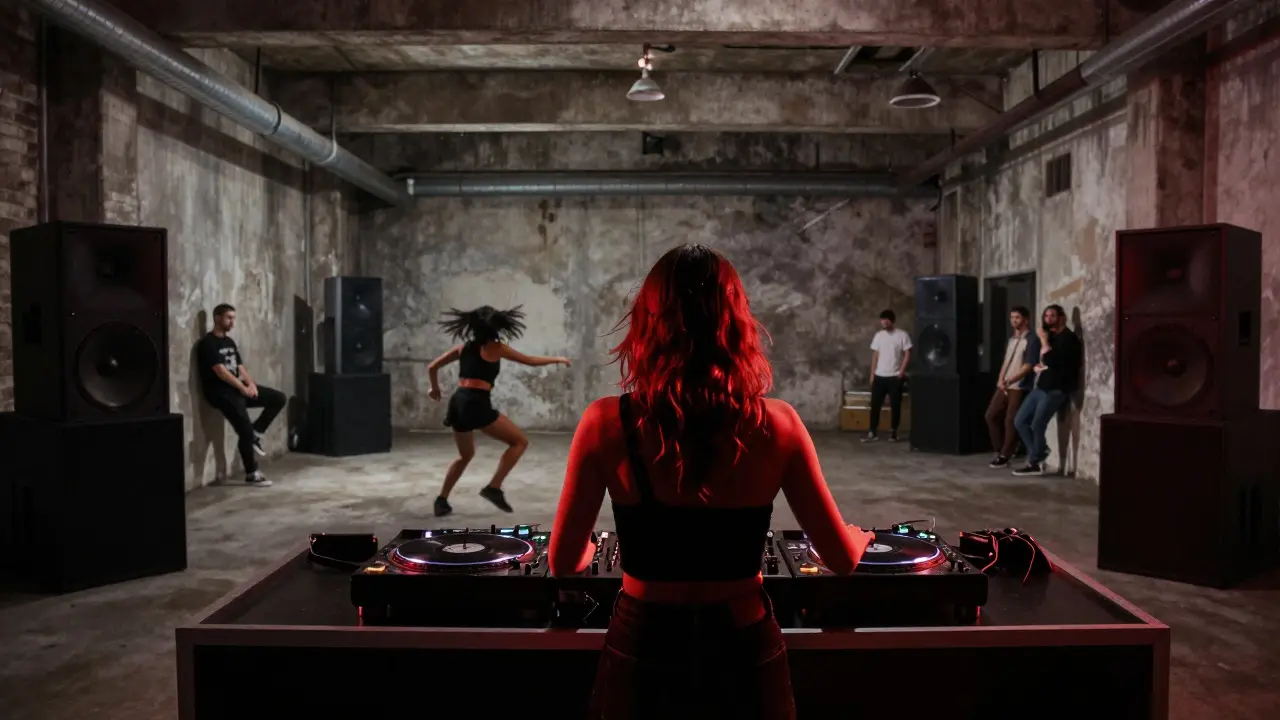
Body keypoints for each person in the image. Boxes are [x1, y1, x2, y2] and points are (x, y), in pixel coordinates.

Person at [548, 244, 874, 719]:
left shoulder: (604, 423)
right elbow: (841, 560)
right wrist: (857, 537)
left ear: (647, 322)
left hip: (644, 636)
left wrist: (588, 550)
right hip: (742, 637)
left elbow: (561, 561)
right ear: (735, 323)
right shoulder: (779, 424)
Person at [426, 305, 570, 517]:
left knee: (465, 455)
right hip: (476, 403)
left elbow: (432, 367)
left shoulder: (463, 348)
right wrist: (557, 359)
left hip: (458, 402)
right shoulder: (497, 348)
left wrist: (434, 388)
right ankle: (493, 488)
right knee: (520, 442)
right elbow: (529, 361)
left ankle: (441, 500)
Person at [197, 303, 288, 487]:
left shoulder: (229, 342)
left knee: (278, 398)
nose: (232, 322)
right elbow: (221, 371)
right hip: (219, 393)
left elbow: (239, 367)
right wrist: (242, 388)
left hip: (236, 389)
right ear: (217, 318)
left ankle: (257, 430)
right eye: (228, 318)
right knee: (244, 429)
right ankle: (252, 473)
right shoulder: (207, 344)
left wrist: (251, 384)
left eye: (233, 318)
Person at [1012, 304, 1081, 476]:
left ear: (1061, 317)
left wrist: (1043, 340)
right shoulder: (1052, 337)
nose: (1048, 319)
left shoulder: (1069, 338)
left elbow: (1056, 361)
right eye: (1046, 316)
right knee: (1020, 421)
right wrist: (1037, 366)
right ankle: (1039, 452)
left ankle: (1034, 462)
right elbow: (1046, 361)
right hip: (1041, 386)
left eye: (1052, 316)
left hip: (1056, 389)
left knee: (1037, 424)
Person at [984, 306, 1040, 468]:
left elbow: (1028, 365)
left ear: (1025, 319)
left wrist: (1011, 380)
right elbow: (1006, 362)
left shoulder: (1032, 339)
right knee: (991, 415)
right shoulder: (1012, 340)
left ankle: (1005, 455)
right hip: (1005, 384)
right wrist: (1001, 379)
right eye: (1012, 317)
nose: (1014, 320)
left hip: (1019, 386)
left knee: (1011, 420)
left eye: (1017, 317)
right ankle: (1000, 449)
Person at [862, 309, 912, 443]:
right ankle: (872, 432)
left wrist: (901, 372)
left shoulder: (902, 335)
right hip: (880, 376)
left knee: (895, 405)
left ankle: (894, 432)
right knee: (875, 405)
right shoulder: (879, 336)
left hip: (894, 376)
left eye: (887, 319)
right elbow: (875, 356)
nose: (884, 322)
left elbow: (907, 353)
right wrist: (872, 374)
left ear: (892, 321)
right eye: (882, 319)